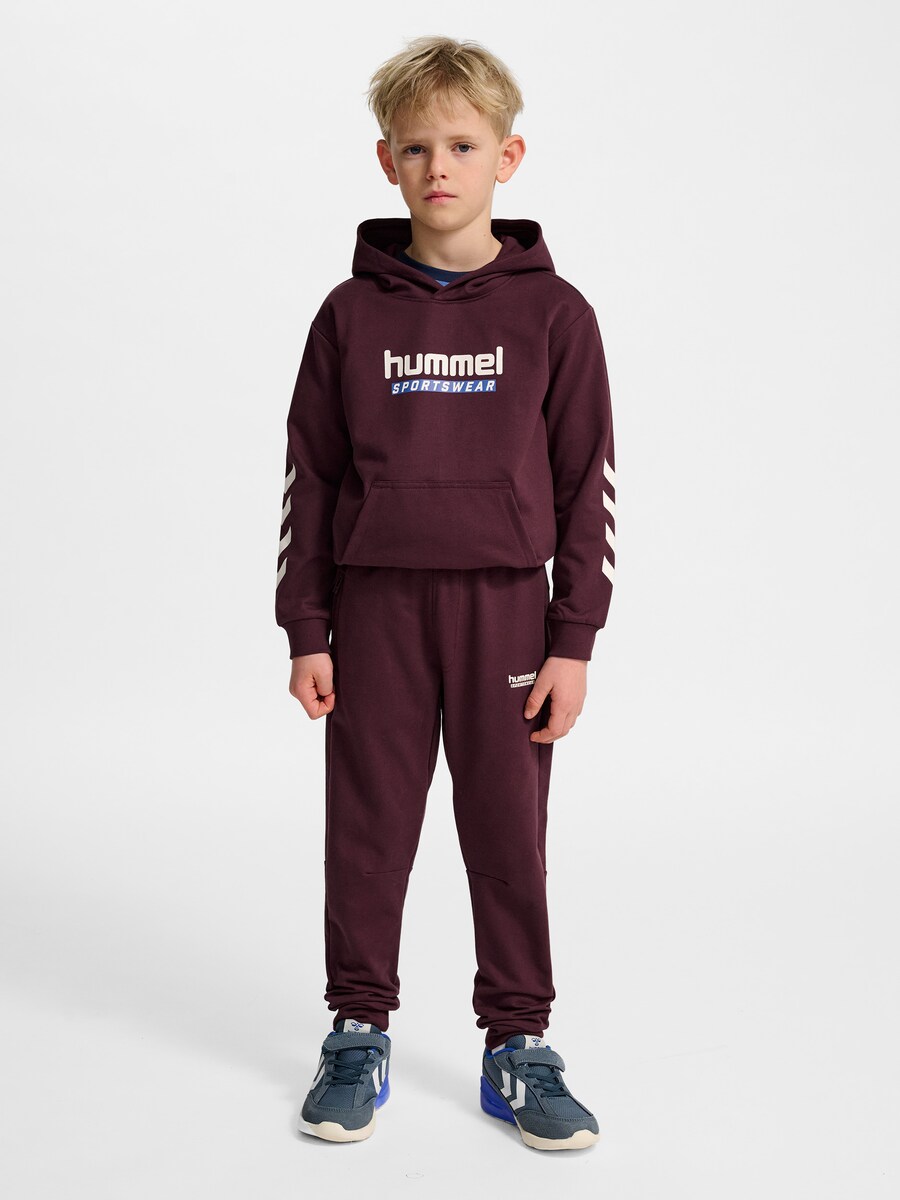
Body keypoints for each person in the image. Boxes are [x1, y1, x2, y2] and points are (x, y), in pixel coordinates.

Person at [275, 35, 615, 1152]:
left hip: (506, 613)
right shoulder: (349, 314)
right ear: (387, 161)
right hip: (375, 612)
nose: (440, 167)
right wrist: (307, 627)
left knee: (507, 832)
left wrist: (573, 639)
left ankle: (518, 1042)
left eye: (463, 146)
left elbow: (588, 485)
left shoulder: (555, 315)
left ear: (507, 156)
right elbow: (311, 479)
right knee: (368, 827)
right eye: (417, 148)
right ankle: (357, 1027)